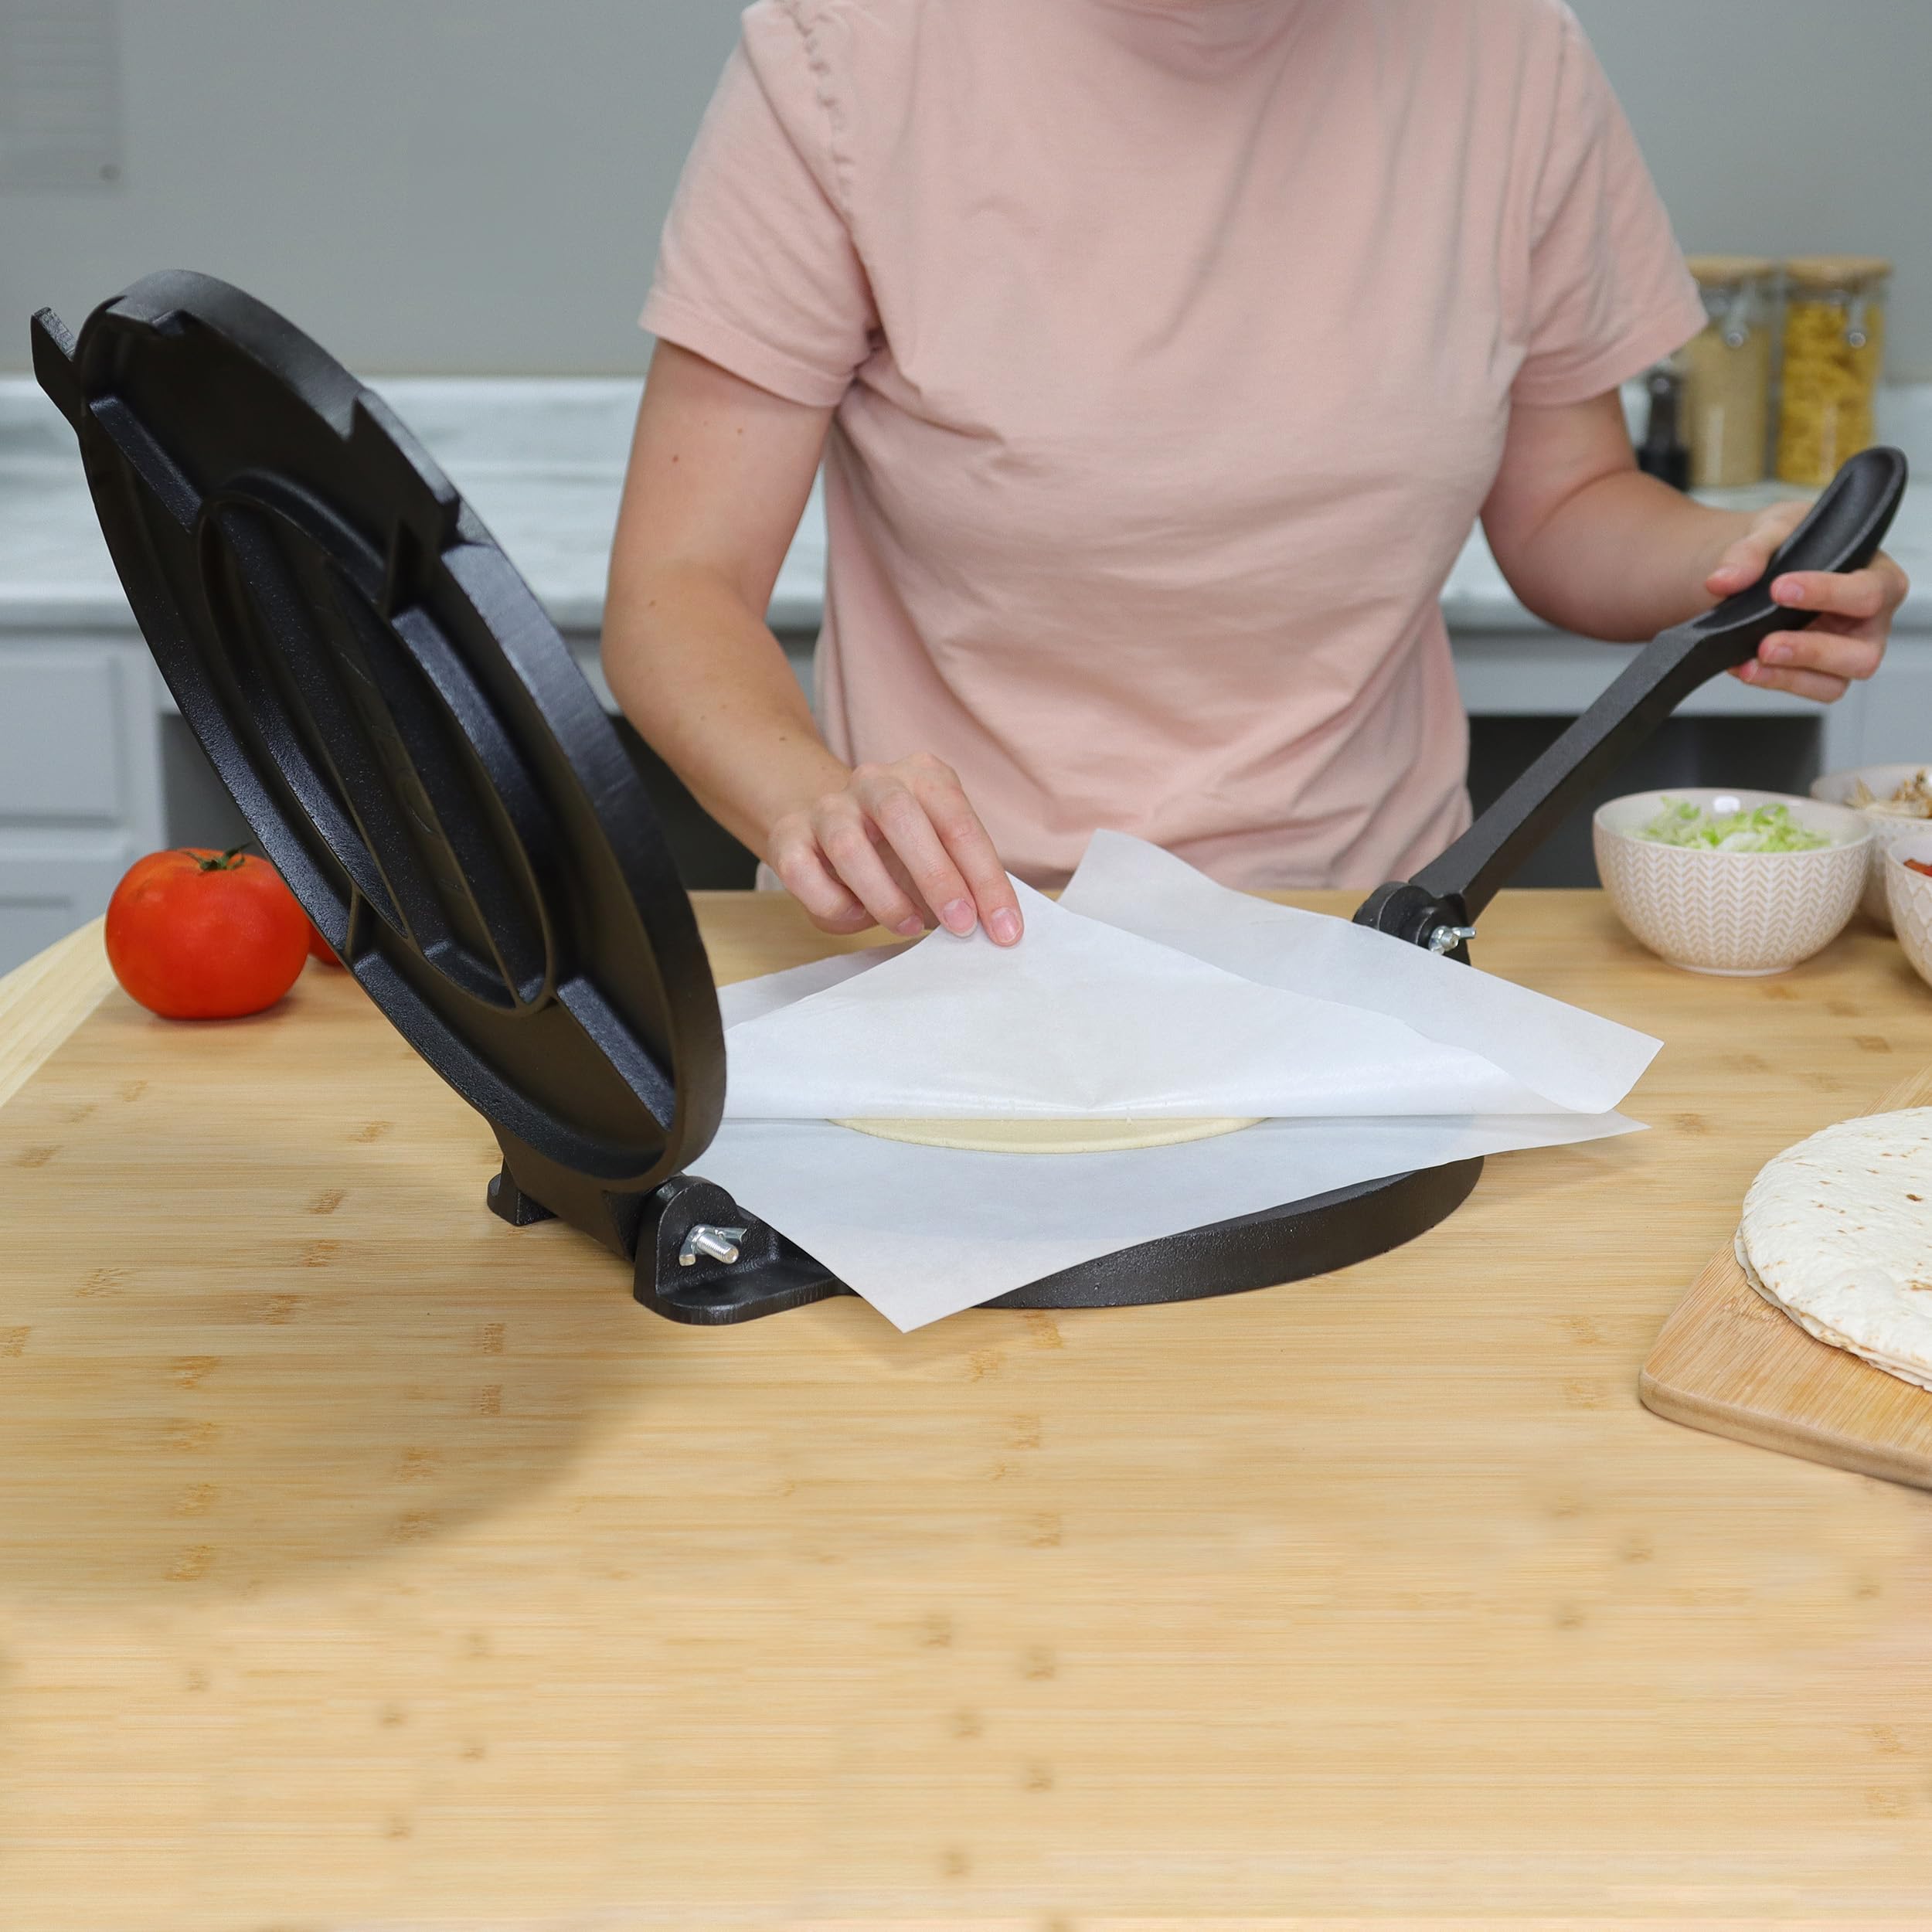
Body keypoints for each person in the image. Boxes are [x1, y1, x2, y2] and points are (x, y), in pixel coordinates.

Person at [602, 0, 1909, 948]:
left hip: (1364, 924)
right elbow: (679, 589)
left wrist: (1737, 569)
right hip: (957, 930)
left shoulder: (1508, 53)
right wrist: (815, 806)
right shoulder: (849, 49)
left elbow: (1568, 505)